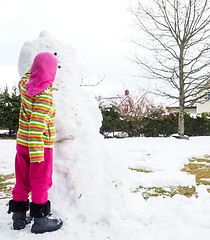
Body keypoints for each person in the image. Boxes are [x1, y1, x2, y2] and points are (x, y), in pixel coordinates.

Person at [7, 52, 63, 234]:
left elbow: (27, 76)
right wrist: (37, 154)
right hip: (39, 147)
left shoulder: (25, 86)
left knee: (22, 181)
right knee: (40, 182)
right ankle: (40, 221)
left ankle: (18, 218)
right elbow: (36, 127)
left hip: (22, 145)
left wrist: (38, 65)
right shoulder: (44, 96)